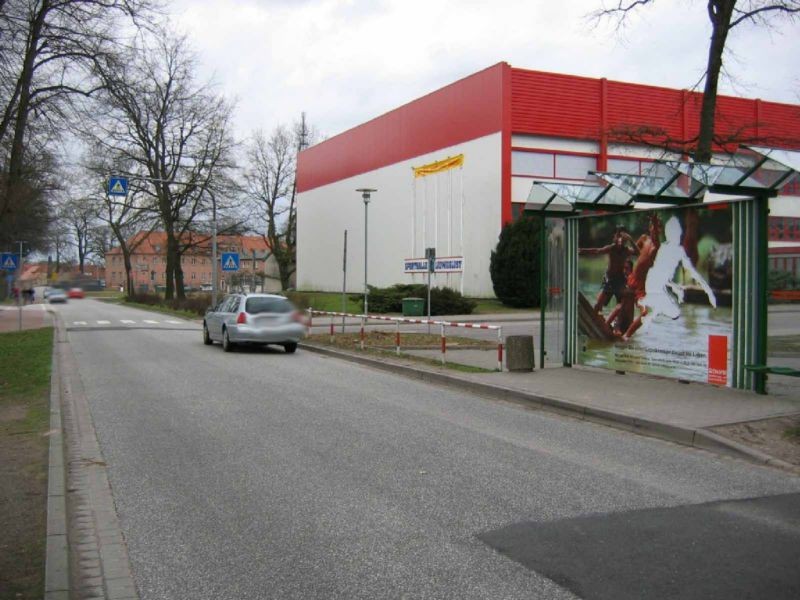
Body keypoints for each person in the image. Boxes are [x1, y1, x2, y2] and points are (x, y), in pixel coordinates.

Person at [627, 215, 717, 338]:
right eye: (654, 228)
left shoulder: (662, 248)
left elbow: (689, 271)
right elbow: (635, 252)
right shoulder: (650, 241)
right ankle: (624, 332)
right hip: (639, 281)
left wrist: (708, 292)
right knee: (629, 306)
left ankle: (627, 335)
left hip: (648, 285)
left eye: (658, 228)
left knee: (656, 312)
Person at [579, 225, 638, 314]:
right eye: (618, 236)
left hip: (620, 280)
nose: (620, 239)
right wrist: (582, 250)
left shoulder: (626, 250)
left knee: (624, 303)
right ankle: (597, 319)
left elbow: (638, 253)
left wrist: (630, 239)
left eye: (623, 237)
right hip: (609, 279)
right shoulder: (611, 248)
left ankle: (619, 322)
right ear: (614, 237)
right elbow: (597, 251)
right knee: (598, 305)